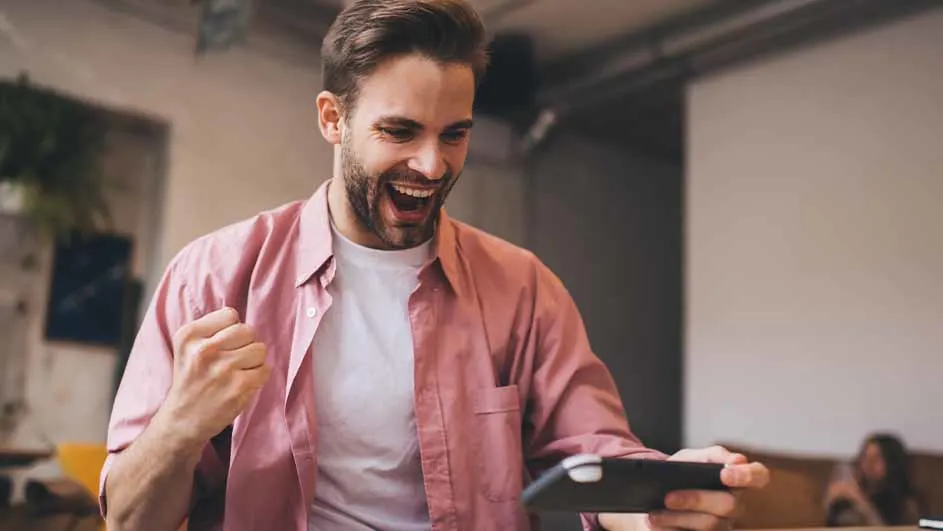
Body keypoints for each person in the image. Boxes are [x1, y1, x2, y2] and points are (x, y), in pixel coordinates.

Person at [99, 1, 769, 530]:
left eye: (454, 134)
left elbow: (594, 456)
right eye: (400, 131)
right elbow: (128, 518)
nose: (432, 165)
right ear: (333, 119)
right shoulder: (215, 275)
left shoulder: (523, 289)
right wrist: (181, 425)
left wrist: (659, 495)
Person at [824, 433, 922, 526]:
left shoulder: (907, 504)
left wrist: (860, 501)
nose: (869, 464)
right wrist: (829, 502)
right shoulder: (855, 486)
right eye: (865, 457)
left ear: (892, 463)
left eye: (877, 458)